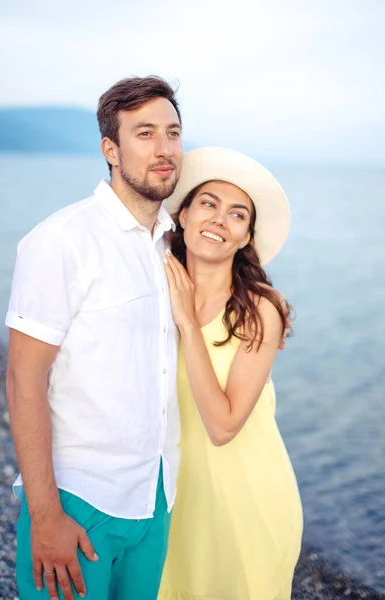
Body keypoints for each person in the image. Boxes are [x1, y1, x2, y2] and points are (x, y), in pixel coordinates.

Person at [5, 76, 184, 600]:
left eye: (172, 133)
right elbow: (23, 376)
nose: (164, 148)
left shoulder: (172, 242)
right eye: (144, 133)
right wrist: (45, 516)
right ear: (111, 148)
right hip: (79, 500)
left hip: (155, 496)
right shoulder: (61, 240)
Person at [158, 147, 303, 600]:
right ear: (182, 215)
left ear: (245, 238)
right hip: (169, 503)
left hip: (247, 504)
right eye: (208, 204)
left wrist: (187, 320)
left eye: (237, 215)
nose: (220, 220)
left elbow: (222, 426)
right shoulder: (152, 285)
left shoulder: (260, 309)